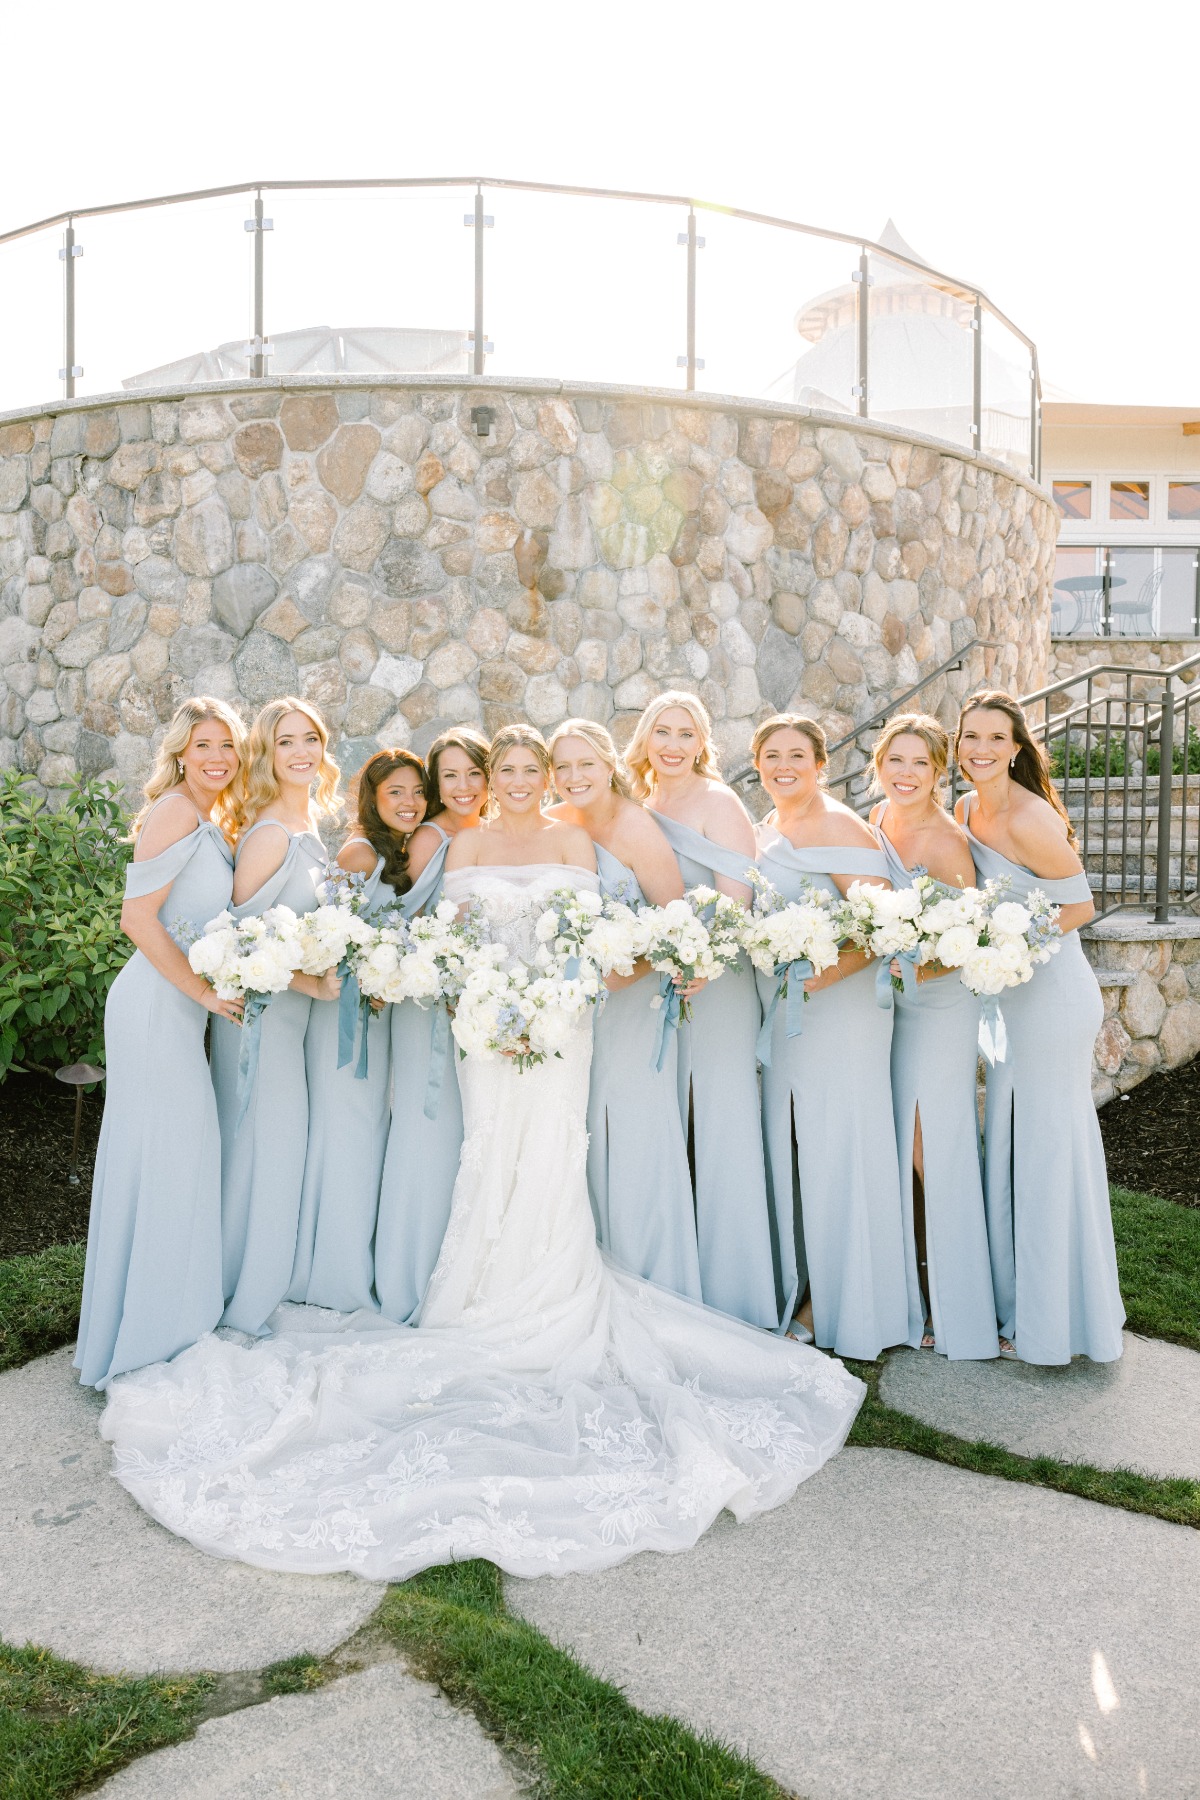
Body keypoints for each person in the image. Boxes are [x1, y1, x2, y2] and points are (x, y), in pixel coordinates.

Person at [103, 722, 864, 1583]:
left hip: (564, 1026)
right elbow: (454, 941)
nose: (512, 782)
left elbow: (617, 930)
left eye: (527, 769)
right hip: (484, 1029)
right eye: (501, 770)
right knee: (490, 1156)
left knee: (549, 1158)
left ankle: (555, 1288)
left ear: (546, 776)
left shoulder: (576, 835)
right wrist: (489, 996)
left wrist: (579, 986)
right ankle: (478, 1295)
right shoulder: (460, 845)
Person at [75, 698, 246, 1389]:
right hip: (153, 1006)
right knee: (167, 1154)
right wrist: (203, 993)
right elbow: (137, 920)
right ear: (181, 752)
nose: (217, 757)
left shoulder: (211, 818)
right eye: (204, 744)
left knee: (177, 1156)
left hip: (179, 1011)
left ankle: (158, 1319)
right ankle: (146, 1335)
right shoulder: (176, 810)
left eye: (227, 746)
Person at [955, 690, 1124, 1364]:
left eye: (996, 739)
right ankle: (1015, 1303)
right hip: (1006, 997)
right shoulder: (965, 809)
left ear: (1017, 748)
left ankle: (1059, 1321)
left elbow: (1082, 906)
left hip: (1051, 996)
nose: (982, 750)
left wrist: (1005, 946)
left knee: (1049, 1149)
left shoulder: (1030, 819)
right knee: (1009, 1140)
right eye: (971, 737)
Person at [754, 713, 922, 1361]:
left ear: (821, 764)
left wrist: (828, 973)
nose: (784, 765)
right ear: (759, 764)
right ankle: (804, 1283)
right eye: (772, 755)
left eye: (797, 754)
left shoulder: (840, 824)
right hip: (791, 1014)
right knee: (804, 1151)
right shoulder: (766, 829)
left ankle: (843, 1306)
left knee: (845, 1146)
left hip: (843, 1011)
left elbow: (887, 926)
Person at [626, 692, 781, 1330]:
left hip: (716, 983)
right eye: (661, 731)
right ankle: (675, 1275)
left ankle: (737, 1290)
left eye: (684, 733)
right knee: (670, 1123)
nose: (671, 744)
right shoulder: (641, 806)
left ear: (701, 743)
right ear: (644, 740)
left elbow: (738, 898)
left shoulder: (720, 803)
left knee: (721, 1119)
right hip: (657, 987)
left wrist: (703, 962)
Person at [547, 718, 702, 1301]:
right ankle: (590, 1272)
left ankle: (653, 1279)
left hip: (631, 1003)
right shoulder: (557, 822)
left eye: (585, 763)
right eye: (561, 766)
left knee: (634, 1129)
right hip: (575, 1010)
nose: (573, 776)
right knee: (581, 1128)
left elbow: (676, 926)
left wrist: (622, 971)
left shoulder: (636, 828)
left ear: (609, 765)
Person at [868, 715, 999, 1359]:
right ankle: (905, 1287)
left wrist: (909, 959)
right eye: (896, 760)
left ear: (938, 771)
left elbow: (969, 940)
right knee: (897, 1138)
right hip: (889, 1005)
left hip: (940, 1005)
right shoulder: (877, 822)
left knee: (929, 1139)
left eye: (919, 763)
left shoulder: (948, 842)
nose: (906, 773)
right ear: (879, 764)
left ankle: (957, 1300)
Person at [210, 698, 341, 1336]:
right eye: (285, 741)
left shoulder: (310, 823)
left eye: (310, 739)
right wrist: (311, 982)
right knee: (261, 1149)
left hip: (291, 1024)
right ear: (266, 753)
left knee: (283, 1149)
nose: (300, 752)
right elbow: (234, 947)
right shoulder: (267, 834)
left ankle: (266, 1280)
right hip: (257, 1021)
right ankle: (243, 1293)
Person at [290, 749, 428, 1314]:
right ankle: (334, 1278)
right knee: (347, 1135)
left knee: (364, 1134)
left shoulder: (394, 852)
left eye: (418, 791)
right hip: (344, 1021)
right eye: (396, 791)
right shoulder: (358, 851)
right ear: (371, 798)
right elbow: (324, 933)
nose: (410, 802)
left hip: (375, 1013)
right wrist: (361, 971)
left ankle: (349, 1264)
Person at [373, 727, 490, 1324]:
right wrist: (443, 978)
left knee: (473, 1136)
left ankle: (467, 1271)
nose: (463, 786)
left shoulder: (495, 833)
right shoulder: (429, 836)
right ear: (436, 783)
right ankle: (409, 1278)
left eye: (474, 773)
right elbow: (402, 925)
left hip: (485, 1011)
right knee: (429, 1129)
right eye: (450, 775)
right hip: (427, 1007)